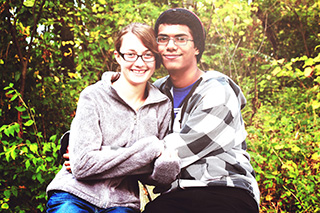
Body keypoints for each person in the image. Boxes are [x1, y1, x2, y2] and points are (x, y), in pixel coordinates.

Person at [46, 22, 180, 213]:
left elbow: (156, 176)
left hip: (122, 202)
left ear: (155, 59)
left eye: (147, 54)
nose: (140, 62)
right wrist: (149, 149)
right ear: (118, 56)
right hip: (74, 194)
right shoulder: (93, 96)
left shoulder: (162, 105)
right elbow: (82, 166)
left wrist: (164, 166)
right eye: (131, 54)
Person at [141, 8, 260, 213]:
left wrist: (110, 159)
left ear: (196, 47)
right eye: (163, 39)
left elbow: (175, 151)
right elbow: (120, 117)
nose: (170, 46)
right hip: (174, 196)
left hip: (225, 189)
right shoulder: (155, 91)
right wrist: (79, 145)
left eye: (181, 38)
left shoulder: (218, 90)